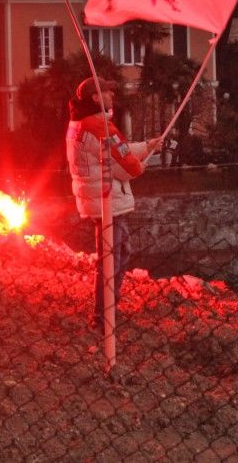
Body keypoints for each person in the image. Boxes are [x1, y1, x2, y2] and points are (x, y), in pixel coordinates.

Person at [65, 77, 161, 331]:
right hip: (107, 201)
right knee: (111, 260)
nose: (112, 96)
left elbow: (119, 154)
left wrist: (146, 147)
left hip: (97, 198)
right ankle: (103, 315)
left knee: (118, 254)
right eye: (107, 92)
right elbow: (127, 163)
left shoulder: (79, 124)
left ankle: (107, 311)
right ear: (95, 98)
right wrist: (142, 163)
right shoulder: (100, 127)